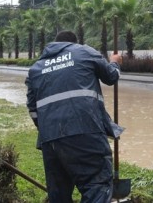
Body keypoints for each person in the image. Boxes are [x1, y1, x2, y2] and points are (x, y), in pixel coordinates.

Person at [25, 31, 123, 203]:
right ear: (74, 43)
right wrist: (115, 63)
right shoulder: (84, 52)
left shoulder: (36, 68)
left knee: (59, 195)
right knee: (96, 185)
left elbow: (33, 110)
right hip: (85, 130)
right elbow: (111, 77)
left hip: (50, 139)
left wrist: (51, 129)